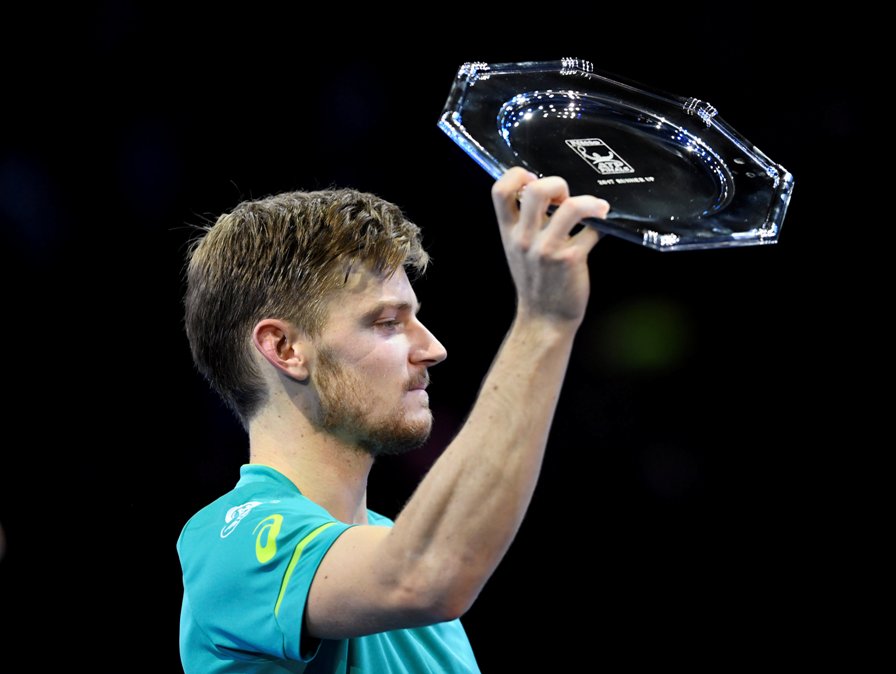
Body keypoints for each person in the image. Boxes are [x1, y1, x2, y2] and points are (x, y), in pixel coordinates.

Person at [177, 167, 610, 673]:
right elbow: (425, 573)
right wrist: (543, 321)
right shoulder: (232, 543)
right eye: (387, 323)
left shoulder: (401, 553)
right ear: (286, 348)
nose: (434, 348)